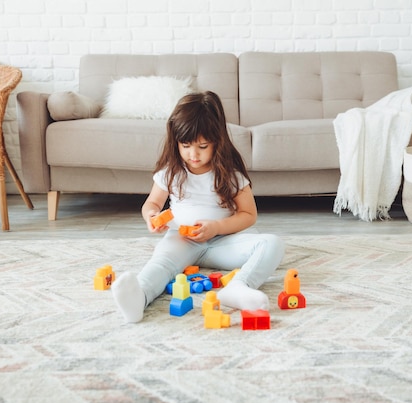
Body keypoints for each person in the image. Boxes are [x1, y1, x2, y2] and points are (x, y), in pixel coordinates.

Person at [111, 91, 285, 323]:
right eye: (185, 146)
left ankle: (238, 288)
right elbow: (152, 203)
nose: (193, 154)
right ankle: (138, 298)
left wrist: (217, 227)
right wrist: (151, 215)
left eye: (202, 146)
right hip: (182, 240)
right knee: (160, 264)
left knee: (272, 243)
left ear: (217, 141)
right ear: (176, 142)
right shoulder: (171, 171)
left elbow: (249, 215)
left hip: (223, 242)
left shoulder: (230, 174)